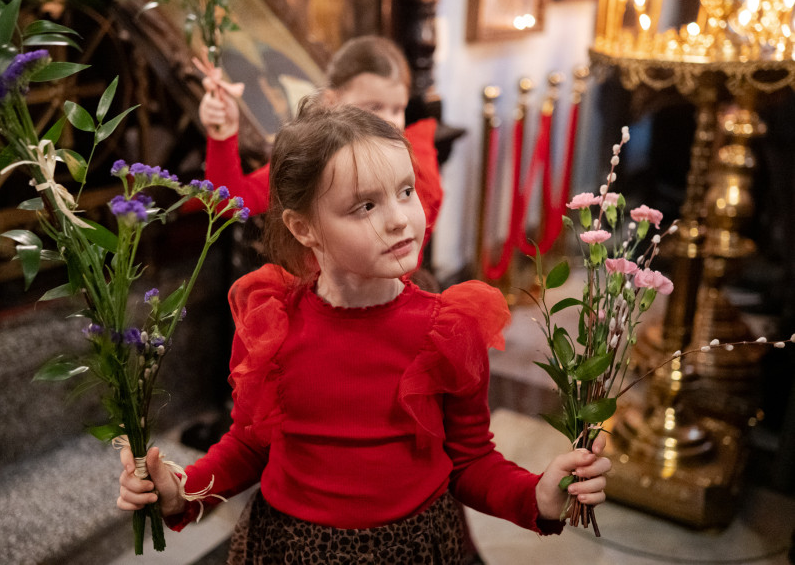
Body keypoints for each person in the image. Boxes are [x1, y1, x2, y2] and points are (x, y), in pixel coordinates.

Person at [117, 99, 611, 564]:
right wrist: (181, 492)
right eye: (365, 206)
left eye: (405, 191)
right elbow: (249, 445)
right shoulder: (274, 321)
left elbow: (471, 460)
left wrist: (536, 495)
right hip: (290, 547)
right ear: (304, 228)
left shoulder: (447, 329)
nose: (399, 219)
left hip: (415, 547)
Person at [189, 34, 443, 253]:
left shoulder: (411, 162)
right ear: (332, 101)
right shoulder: (311, 161)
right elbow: (228, 202)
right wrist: (223, 134)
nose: (389, 120)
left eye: (398, 109)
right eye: (374, 107)